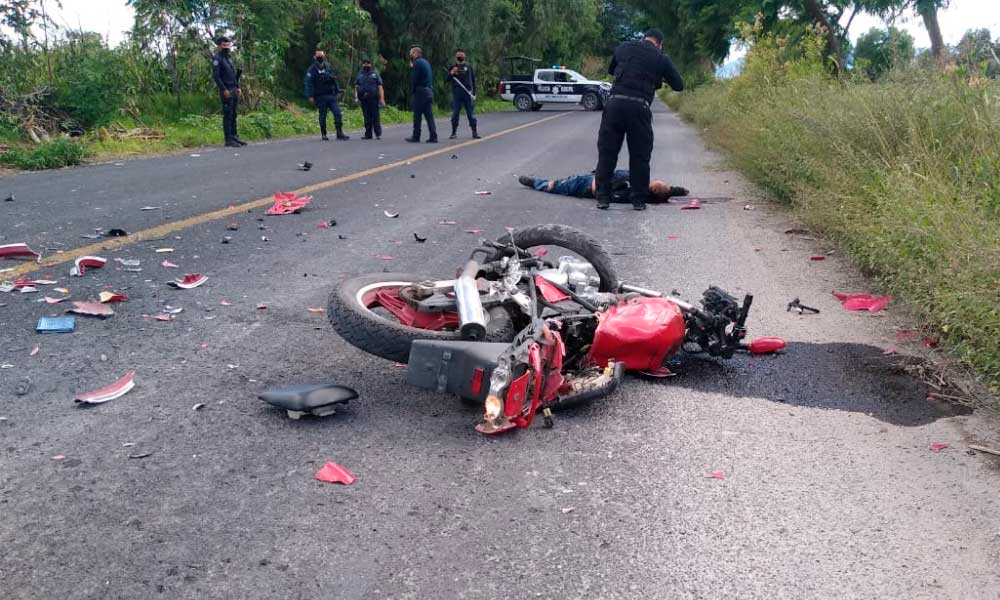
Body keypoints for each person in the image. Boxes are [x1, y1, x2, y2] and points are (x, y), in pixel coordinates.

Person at [595, 28, 684, 211]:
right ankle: (638, 200)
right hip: (639, 107)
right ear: (660, 44)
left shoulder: (623, 47)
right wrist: (658, 75)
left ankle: (603, 198)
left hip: (614, 105)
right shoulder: (661, 58)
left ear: (643, 39)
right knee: (640, 156)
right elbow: (678, 85)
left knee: (607, 153)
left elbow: (612, 70)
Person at [518, 171, 687, 205]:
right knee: (564, 181)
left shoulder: (632, 194)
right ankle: (539, 182)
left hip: (586, 185)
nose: (655, 180)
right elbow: (668, 190)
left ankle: (536, 183)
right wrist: (677, 191)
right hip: (595, 177)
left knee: (555, 186)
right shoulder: (639, 179)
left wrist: (597, 188)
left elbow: (610, 196)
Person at [305, 49, 349, 141]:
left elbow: (334, 80)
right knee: (323, 115)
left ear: (324, 56)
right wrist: (310, 96)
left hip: (331, 95)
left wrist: (337, 91)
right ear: (314, 57)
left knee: (338, 113)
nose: (320, 57)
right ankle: (324, 134)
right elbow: (309, 83)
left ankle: (339, 133)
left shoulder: (328, 67)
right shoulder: (312, 69)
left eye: (321, 55)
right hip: (320, 96)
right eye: (318, 56)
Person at [212, 37, 244, 148]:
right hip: (226, 90)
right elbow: (216, 76)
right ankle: (228, 139)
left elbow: (233, 75)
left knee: (234, 114)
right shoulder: (217, 59)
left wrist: (238, 87)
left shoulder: (229, 58)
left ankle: (235, 136)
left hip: (234, 89)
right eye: (224, 45)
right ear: (219, 46)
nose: (226, 47)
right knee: (227, 115)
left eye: (228, 44)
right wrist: (223, 89)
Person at [405, 46, 438, 143]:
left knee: (417, 115)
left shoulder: (417, 63)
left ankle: (416, 136)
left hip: (420, 92)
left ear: (416, 53)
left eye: (411, 54)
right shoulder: (426, 62)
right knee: (429, 115)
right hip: (428, 91)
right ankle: (433, 135)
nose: (410, 55)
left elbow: (415, 79)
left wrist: (413, 91)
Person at [447, 48, 479, 139]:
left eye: (462, 55)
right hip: (457, 94)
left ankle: (474, 132)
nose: (460, 57)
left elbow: (473, 80)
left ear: (464, 56)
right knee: (455, 114)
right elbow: (447, 79)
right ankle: (453, 133)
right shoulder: (452, 67)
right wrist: (451, 73)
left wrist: (474, 93)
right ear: (456, 56)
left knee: (470, 113)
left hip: (468, 94)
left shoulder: (468, 67)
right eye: (458, 55)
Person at [354, 58, 385, 140]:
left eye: (368, 63)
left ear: (370, 64)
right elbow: (356, 86)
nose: (366, 65)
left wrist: (382, 99)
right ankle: (368, 134)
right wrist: (356, 97)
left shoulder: (375, 74)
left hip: (374, 99)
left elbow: (380, 86)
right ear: (362, 64)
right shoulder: (360, 74)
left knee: (375, 116)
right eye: (364, 63)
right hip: (364, 99)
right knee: (366, 117)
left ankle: (378, 133)